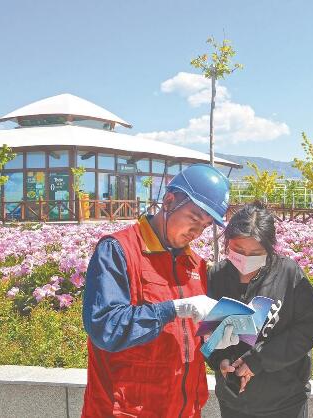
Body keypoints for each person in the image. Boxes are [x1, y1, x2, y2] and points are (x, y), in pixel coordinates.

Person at [82, 164, 238, 418]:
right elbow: (105, 327)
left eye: (205, 225)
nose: (196, 233)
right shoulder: (118, 251)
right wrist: (174, 309)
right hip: (127, 410)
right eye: (194, 219)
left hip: (184, 409)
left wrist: (218, 343)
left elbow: (191, 340)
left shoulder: (195, 264)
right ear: (168, 201)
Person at [206, 201, 313, 418]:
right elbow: (210, 332)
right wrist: (220, 360)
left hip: (284, 400)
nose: (246, 259)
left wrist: (256, 361)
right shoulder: (218, 276)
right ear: (227, 242)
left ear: (270, 248)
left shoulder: (289, 274)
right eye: (238, 250)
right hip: (233, 402)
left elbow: (307, 330)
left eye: (256, 252)